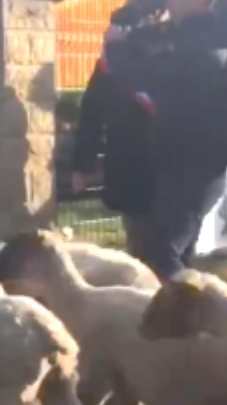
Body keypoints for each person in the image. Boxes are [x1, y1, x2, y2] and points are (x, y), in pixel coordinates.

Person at [101, 0, 227, 280]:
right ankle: (185, 314)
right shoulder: (190, 31)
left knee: (163, 254)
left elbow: (155, 78)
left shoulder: (211, 39)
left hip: (197, 164)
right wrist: (133, 20)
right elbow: (144, 37)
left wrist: (117, 49)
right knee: (176, 253)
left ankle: (182, 309)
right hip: (176, 160)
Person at [71, 3, 163, 258]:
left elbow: (91, 112)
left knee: (145, 246)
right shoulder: (174, 48)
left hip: (132, 165)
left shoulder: (113, 63)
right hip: (167, 166)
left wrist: (83, 165)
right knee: (167, 248)